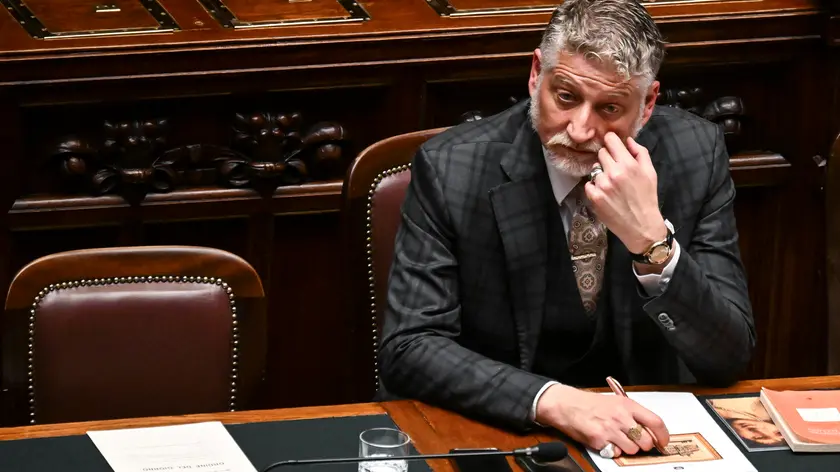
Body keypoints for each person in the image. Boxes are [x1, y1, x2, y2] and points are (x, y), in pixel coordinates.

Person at [377, 0, 755, 460]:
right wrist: (555, 402)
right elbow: (410, 347)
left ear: (648, 104)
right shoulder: (453, 168)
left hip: (639, 439)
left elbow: (728, 357)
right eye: (566, 96)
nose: (579, 130)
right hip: (503, 434)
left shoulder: (695, 154)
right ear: (537, 74)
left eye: (610, 108)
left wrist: (652, 243)